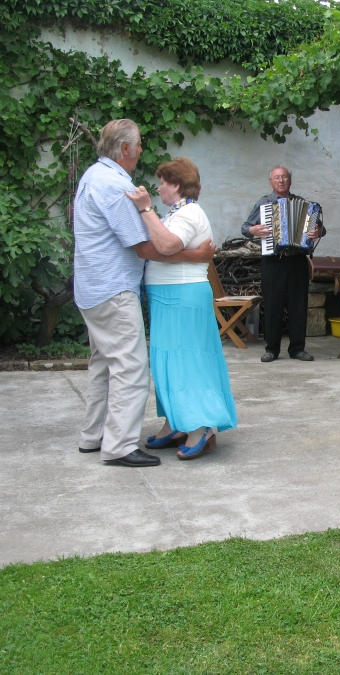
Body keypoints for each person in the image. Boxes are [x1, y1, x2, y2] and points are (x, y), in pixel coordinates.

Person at [73, 119, 215, 468]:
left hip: (92, 287)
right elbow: (145, 247)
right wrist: (196, 256)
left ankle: (94, 436)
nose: (140, 151)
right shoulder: (115, 185)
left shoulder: (93, 175)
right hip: (113, 288)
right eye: (138, 146)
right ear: (125, 149)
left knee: (104, 364)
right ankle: (120, 446)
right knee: (131, 367)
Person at [125, 157, 238, 460]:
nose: (159, 187)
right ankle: (176, 421)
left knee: (187, 361)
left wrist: (145, 209)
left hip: (183, 295)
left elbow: (166, 246)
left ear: (176, 185)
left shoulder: (189, 213)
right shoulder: (175, 213)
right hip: (167, 296)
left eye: (163, 182)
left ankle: (200, 426)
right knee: (168, 362)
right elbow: (153, 249)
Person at [241, 166, 324, 363]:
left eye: (284, 177)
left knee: (298, 305)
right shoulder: (264, 203)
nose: (281, 181)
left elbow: (320, 228)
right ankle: (271, 349)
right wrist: (254, 230)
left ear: (290, 181)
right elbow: (245, 228)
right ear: (271, 182)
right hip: (273, 260)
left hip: (297, 260)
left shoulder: (304, 204)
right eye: (277, 178)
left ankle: (297, 349)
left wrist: (317, 232)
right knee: (273, 304)